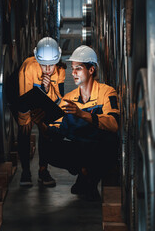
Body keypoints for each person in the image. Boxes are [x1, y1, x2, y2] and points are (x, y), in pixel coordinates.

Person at [31, 45, 119, 200]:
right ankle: (84, 171)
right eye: (72, 69)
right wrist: (40, 124)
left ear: (91, 70)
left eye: (78, 68)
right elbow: (54, 131)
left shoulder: (107, 92)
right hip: (80, 150)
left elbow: (113, 123)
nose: (73, 73)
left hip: (98, 149)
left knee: (111, 142)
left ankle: (89, 175)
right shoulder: (68, 99)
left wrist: (82, 114)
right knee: (47, 141)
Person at [17, 37, 66, 187]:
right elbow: (23, 97)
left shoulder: (60, 71)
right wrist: (25, 119)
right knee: (24, 131)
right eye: (43, 65)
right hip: (26, 98)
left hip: (43, 101)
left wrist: (47, 89)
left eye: (51, 65)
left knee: (47, 131)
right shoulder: (28, 68)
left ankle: (43, 170)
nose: (47, 69)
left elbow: (59, 99)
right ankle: (25, 171)